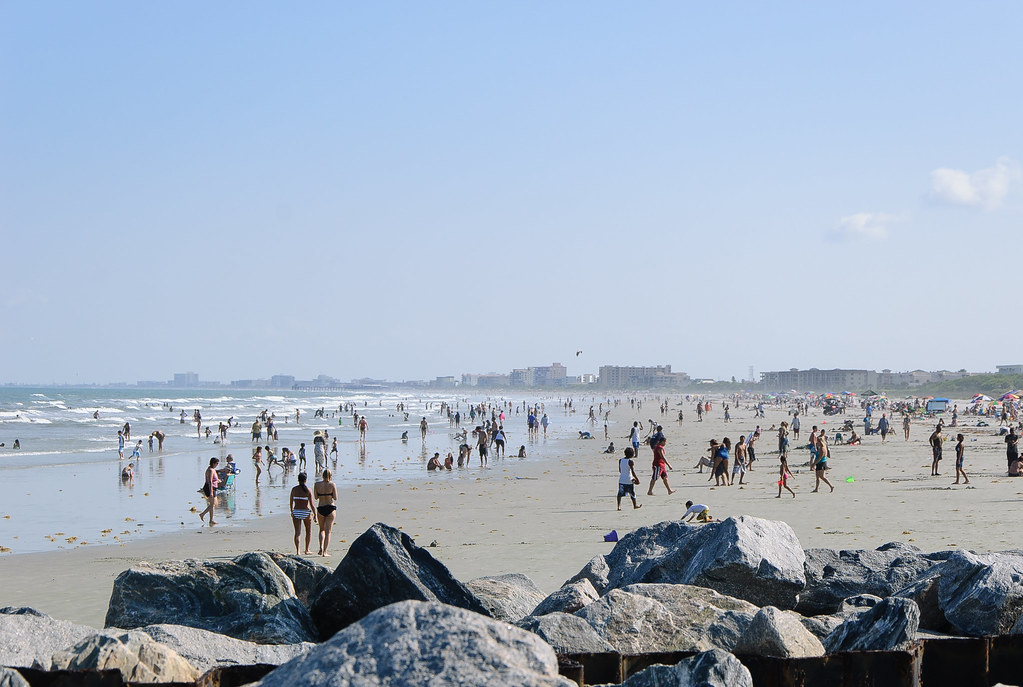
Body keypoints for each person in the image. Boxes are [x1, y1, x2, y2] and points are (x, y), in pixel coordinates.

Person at [289, 472, 314, 555]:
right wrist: (315, 515)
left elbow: (291, 502)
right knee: (308, 531)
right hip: (306, 511)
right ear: (305, 480)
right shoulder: (308, 490)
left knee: (297, 532)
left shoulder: (294, 489)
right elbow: (312, 504)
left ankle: (298, 551)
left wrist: (291, 511)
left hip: (296, 511)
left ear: (298, 480)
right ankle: (307, 549)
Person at [314, 469, 338, 556]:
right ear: (330, 476)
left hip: (321, 507)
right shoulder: (332, 484)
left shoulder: (317, 484)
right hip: (330, 507)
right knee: (328, 531)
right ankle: (325, 551)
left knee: (321, 529)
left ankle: (320, 547)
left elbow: (316, 497)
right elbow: (335, 498)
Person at [199, 457, 220, 526]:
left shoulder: (213, 469)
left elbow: (214, 480)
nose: (217, 464)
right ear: (213, 463)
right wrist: (211, 492)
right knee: (212, 504)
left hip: (214, 487)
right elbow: (210, 481)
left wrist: (217, 480)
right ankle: (203, 515)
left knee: (214, 504)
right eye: (217, 463)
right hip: (210, 488)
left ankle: (210, 519)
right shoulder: (210, 470)